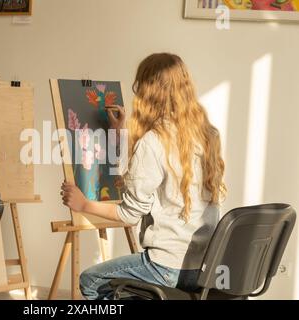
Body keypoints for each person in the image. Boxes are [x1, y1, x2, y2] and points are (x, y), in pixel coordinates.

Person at [60, 53, 226, 300]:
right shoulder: (207, 134)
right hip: (205, 267)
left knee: (90, 281)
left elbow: (129, 215)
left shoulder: (153, 142)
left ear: (148, 94)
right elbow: (151, 172)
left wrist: (83, 204)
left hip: (167, 266)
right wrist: (119, 136)